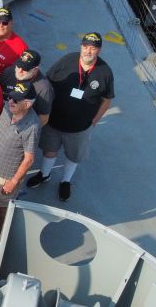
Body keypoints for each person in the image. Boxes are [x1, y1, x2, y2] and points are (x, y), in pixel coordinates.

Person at [28, 33, 114, 201]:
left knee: (73, 156)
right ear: (81, 46)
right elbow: (47, 83)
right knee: (49, 150)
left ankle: (65, 181)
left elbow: (106, 100)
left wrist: (94, 120)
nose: (88, 51)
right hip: (54, 121)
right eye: (86, 46)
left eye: (93, 48)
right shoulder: (67, 60)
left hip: (79, 127)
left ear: (99, 50)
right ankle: (44, 174)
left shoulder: (105, 72)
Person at [0, 82, 39, 233]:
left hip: (6, 177)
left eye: (15, 100)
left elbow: (29, 159)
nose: (10, 101)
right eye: (10, 97)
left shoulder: (32, 126)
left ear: (27, 104)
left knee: (2, 207)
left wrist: (14, 181)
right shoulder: (7, 108)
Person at [0, 49, 54, 125]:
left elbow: (44, 118)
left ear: (35, 70)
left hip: (20, 124)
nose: (19, 71)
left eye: (25, 69)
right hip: (1, 116)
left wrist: (22, 130)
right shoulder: (8, 72)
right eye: (19, 65)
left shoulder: (44, 89)